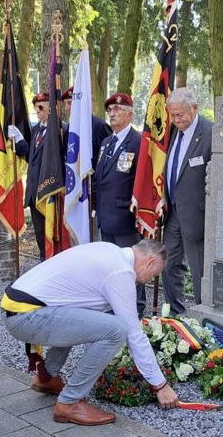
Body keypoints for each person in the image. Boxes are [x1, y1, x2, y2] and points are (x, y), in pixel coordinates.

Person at [1, 239, 179, 425]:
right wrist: (160, 385)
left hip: (17, 310)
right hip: (26, 317)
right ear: (150, 262)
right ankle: (69, 402)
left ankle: (47, 377)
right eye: (154, 274)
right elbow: (133, 334)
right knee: (117, 330)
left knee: (87, 315)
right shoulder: (121, 271)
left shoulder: (108, 250)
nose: (148, 279)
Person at [162, 87, 212, 316]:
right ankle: (176, 313)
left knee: (199, 269)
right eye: (172, 115)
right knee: (169, 264)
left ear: (195, 108)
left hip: (197, 214)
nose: (176, 120)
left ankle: (204, 317)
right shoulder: (172, 133)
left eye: (180, 114)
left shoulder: (210, 132)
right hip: (172, 211)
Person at [95, 93, 145, 316]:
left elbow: (141, 180)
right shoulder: (107, 143)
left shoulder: (139, 141)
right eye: (110, 110)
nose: (112, 114)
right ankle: (116, 304)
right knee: (111, 265)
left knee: (132, 265)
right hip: (106, 216)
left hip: (126, 216)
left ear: (130, 113)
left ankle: (137, 308)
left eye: (117, 109)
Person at [24, 93, 50, 259]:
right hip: (34, 190)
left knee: (51, 232)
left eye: (42, 106)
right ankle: (42, 261)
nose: (39, 110)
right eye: (36, 107)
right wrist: (20, 143)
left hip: (49, 188)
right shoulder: (35, 130)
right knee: (39, 232)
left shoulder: (61, 129)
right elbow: (31, 158)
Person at [60, 86, 112, 170]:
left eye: (69, 103)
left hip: (93, 178)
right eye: (65, 104)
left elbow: (108, 158)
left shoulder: (100, 126)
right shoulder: (71, 127)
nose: (66, 108)